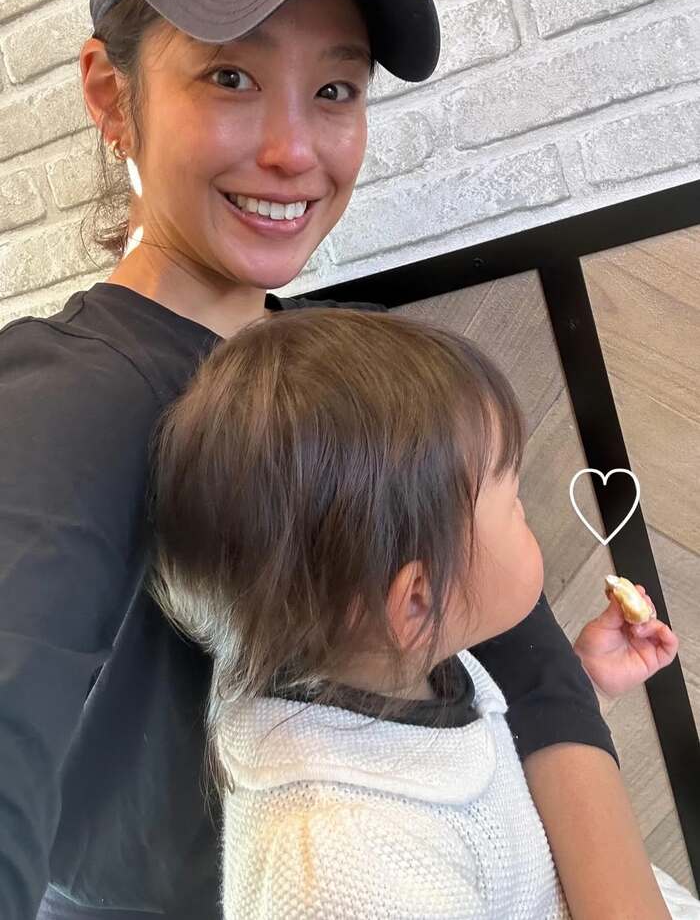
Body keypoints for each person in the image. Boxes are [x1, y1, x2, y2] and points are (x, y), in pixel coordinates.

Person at [0, 0, 682, 917]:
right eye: (230, 76)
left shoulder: (341, 371)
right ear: (111, 96)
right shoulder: (64, 400)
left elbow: (529, 669)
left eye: (335, 90)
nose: (294, 151)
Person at [147, 306, 692, 918]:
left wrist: (587, 686)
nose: (526, 515)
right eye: (512, 502)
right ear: (415, 600)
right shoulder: (341, 872)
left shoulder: (393, 665)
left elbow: (491, 788)